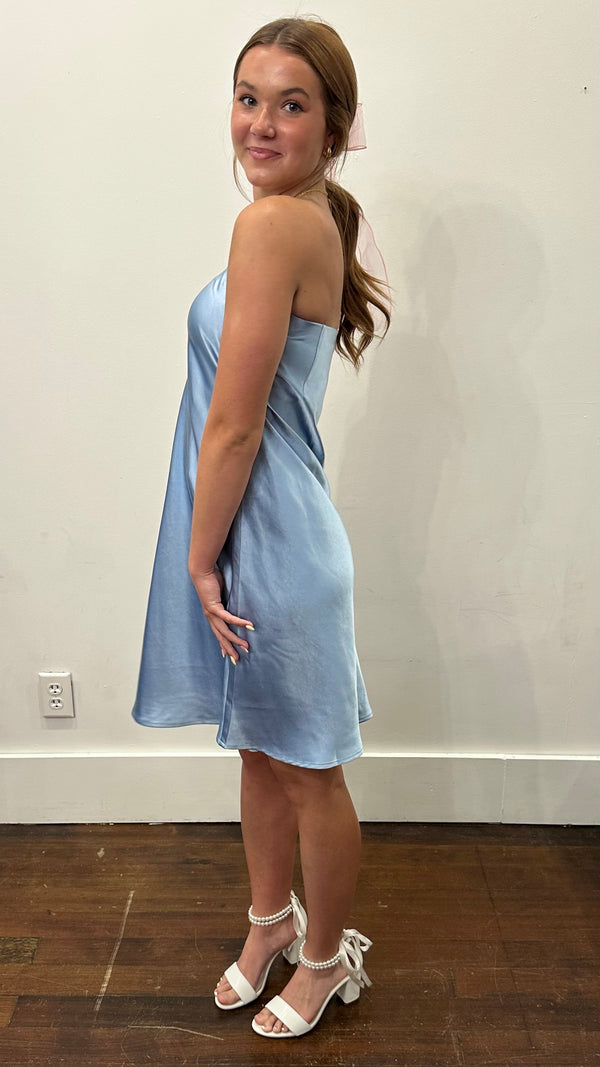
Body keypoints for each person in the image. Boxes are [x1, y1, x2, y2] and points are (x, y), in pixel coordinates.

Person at [131, 15, 390, 1039]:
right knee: (259, 751)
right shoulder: (307, 214)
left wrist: (199, 561)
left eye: (291, 104)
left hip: (269, 547)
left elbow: (236, 426)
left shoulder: (272, 223)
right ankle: (269, 922)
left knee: (308, 770)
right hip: (265, 534)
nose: (262, 124)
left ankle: (324, 959)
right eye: (249, 99)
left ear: (333, 124)